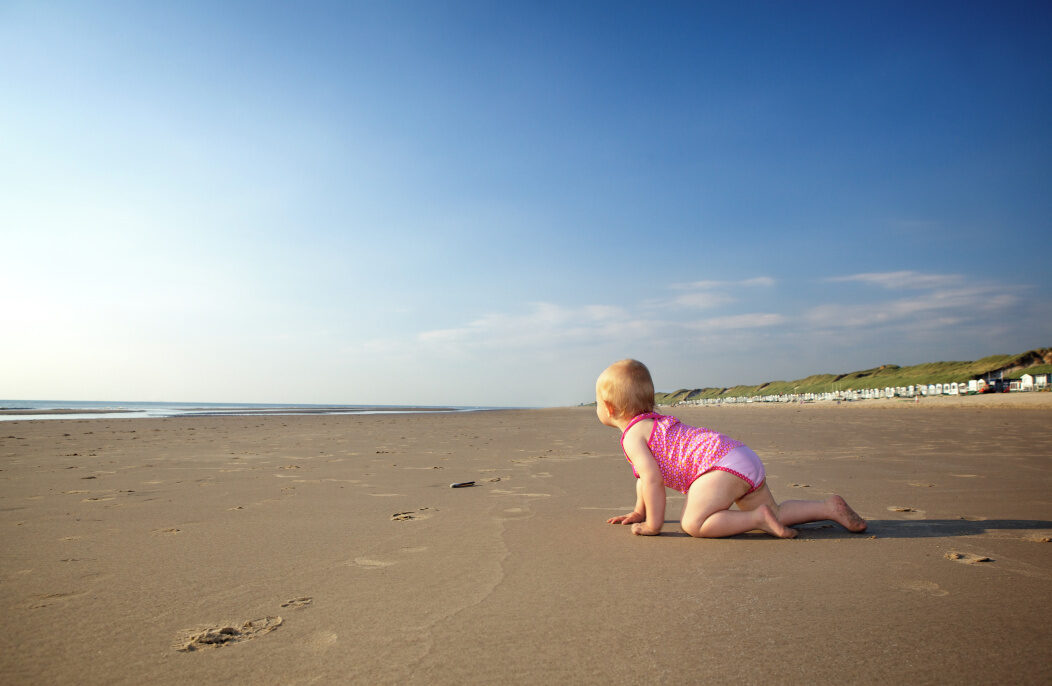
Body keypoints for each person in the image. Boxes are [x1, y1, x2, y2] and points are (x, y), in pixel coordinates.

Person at [596, 359, 868, 538]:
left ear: (609, 408)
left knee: (693, 524)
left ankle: (756, 520)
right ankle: (828, 508)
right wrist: (639, 512)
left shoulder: (633, 436)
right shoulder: (652, 424)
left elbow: (653, 479)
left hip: (716, 468)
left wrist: (653, 524)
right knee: (777, 512)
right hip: (739, 457)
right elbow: (643, 480)